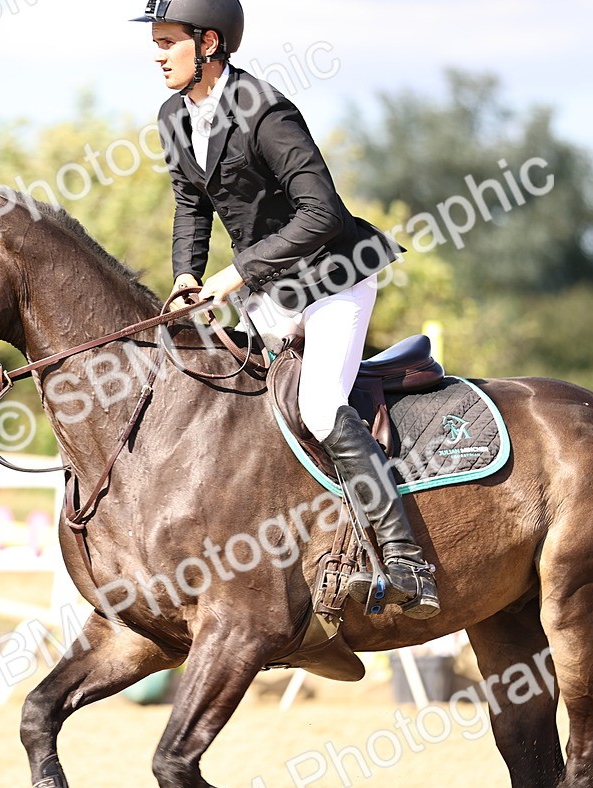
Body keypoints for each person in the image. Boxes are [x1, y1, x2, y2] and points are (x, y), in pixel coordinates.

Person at [132, 0, 440, 619]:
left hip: (333, 279)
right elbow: (191, 207)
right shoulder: (174, 116)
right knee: (233, 408)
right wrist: (188, 276)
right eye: (156, 42)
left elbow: (321, 213)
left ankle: (407, 561)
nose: (157, 53)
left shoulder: (265, 113)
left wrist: (234, 273)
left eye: (168, 41)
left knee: (321, 407)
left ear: (208, 43)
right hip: (269, 293)